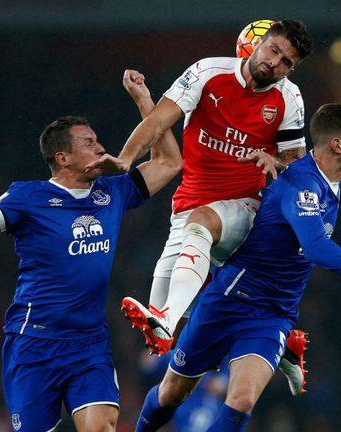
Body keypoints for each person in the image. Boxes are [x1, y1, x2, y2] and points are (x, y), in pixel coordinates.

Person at [131, 103, 341, 431]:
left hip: (273, 315)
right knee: (172, 394)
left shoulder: (329, 180)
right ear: (337, 144)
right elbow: (316, 247)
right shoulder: (304, 184)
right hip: (229, 300)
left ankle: (286, 342)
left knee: (241, 399)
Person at [0, 70, 181, 432]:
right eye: (89, 143)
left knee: (102, 427)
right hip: (34, 343)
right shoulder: (28, 197)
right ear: (62, 157)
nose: (101, 148)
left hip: (89, 343)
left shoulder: (112, 192)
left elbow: (170, 162)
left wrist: (144, 101)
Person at [88, 19, 315, 395]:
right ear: (257, 45)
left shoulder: (289, 99)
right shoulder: (208, 72)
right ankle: (282, 340)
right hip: (190, 203)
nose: (276, 64)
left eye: (287, 62)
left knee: (200, 227)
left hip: (247, 210)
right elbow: (161, 120)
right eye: (274, 51)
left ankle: (168, 316)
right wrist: (126, 159)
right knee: (173, 338)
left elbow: (297, 167)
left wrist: (279, 165)